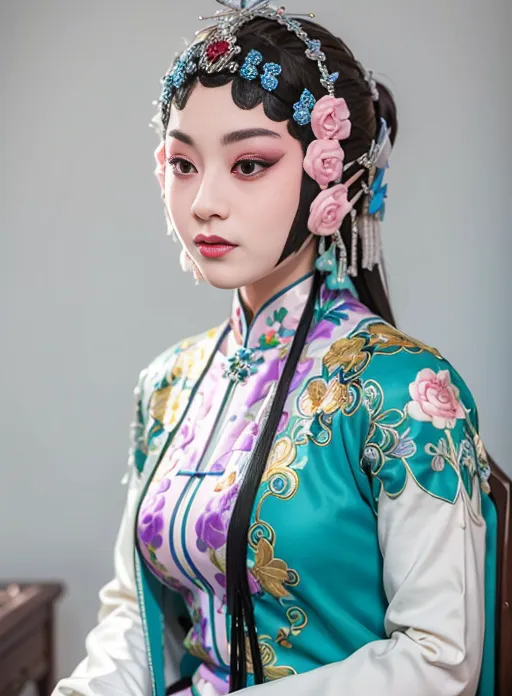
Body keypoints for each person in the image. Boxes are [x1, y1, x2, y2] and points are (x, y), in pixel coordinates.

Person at [53, 2, 497, 695]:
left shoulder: (404, 390)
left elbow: (438, 660)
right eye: (182, 163)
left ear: (335, 182)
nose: (203, 201)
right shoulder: (169, 383)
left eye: (250, 164)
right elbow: (140, 620)